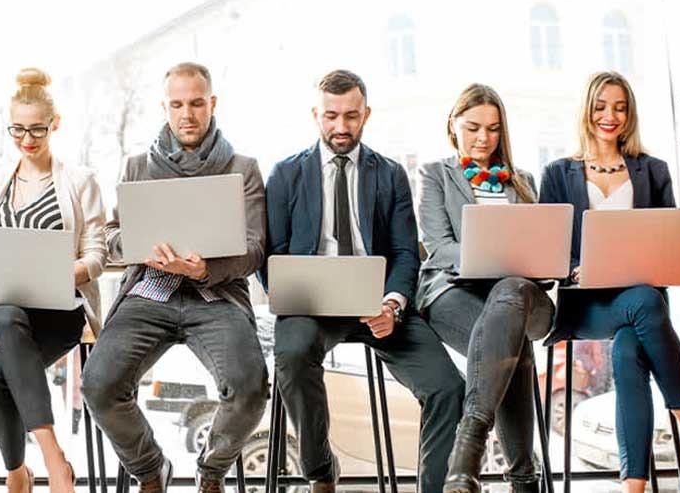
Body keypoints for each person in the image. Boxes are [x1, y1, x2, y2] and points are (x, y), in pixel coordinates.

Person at [263, 69, 465, 493]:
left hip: (379, 303)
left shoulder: (389, 174)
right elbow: (271, 256)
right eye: (331, 116)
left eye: (351, 116)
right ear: (315, 115)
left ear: (366, 114)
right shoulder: (285, 174)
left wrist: (393, 304)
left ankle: (433, 489)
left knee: (448, 387)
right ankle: (321, 472)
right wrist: (292, 293)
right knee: (293, 355)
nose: (341, 126)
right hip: (311, 306)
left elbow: (406, 252)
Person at [540, 71, 680, 493]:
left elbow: (669, 240)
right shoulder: (558, 173)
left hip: (640, 300)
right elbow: (546, 248)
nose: (610, 116)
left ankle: (634, 488)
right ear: (586, 111)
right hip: (589, 305)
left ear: (630, 115)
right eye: (601, 107)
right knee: (645, 303)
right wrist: (575, 268)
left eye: (620, 108)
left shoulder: (653, 170)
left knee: (630, 346)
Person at [81, 62, 268, 493]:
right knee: (99, 384)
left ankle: (211, 470)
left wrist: (205, 270)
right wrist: (137, 246)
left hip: (216, 295)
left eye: (197, 103)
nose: (187, 114)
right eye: (177, 105)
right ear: (164, 107)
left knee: (250, 388)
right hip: (149, 292)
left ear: (212, 104)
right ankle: (151, 470)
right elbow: (112, 237)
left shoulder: (242, 168)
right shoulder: (136, 167)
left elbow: (255, 248)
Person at [416, 84, 554, 493]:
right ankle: (524, 479)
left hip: (519, 294)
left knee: (509, 299)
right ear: (453, 126)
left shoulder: (523, 181)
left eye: (493, 129)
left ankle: (468, 450)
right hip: (452, 291)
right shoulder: (434, 174)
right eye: (473, 127)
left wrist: (535, 262)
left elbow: (539, 250)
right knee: (508, 341)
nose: (483, 138)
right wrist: (489, 260)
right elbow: (439, 246)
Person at [0, 68, 107, 493]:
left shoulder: (80, 181)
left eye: (37, 129)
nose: (27, 139)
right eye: (17, 129)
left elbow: (97, 255)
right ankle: (54, 458)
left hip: (56, 310)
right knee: (7, 315)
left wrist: (64, 271)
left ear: (55, 124)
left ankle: (18, 473)